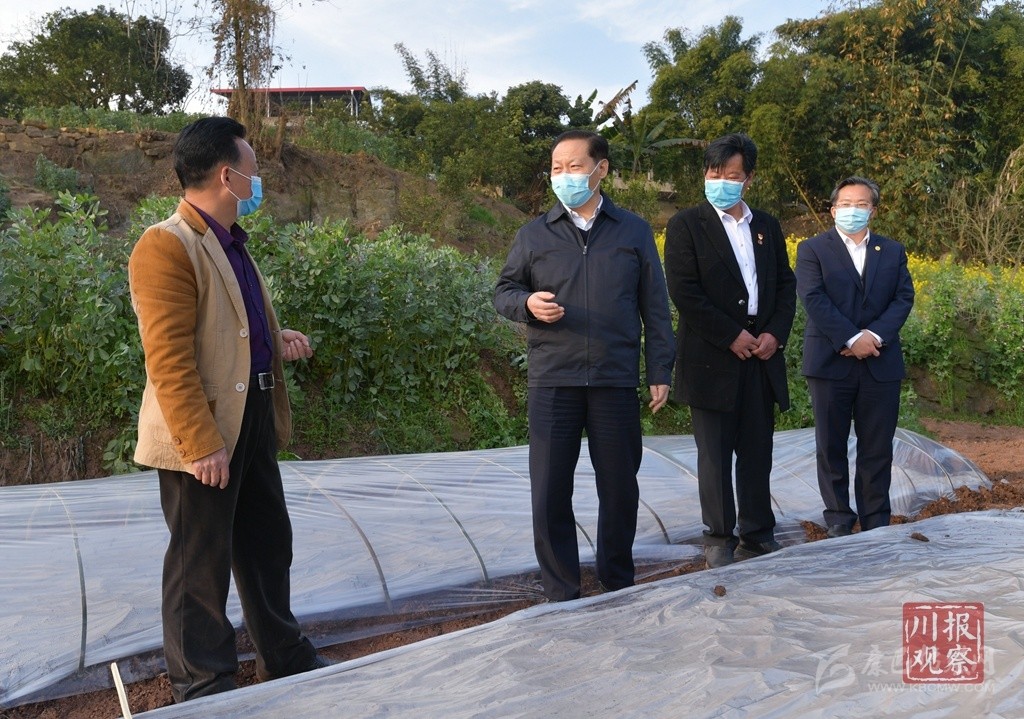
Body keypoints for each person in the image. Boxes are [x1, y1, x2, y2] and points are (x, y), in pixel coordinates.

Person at [128, 116, 327, 702]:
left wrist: (274, 337)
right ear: (226, 175)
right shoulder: (167, 244)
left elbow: (227, 329)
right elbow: (168, 358)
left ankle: (284, 656)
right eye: (253, 171)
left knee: (267, 543)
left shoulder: (230, 242)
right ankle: (203, 683)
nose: (257, 181)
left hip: (252, 416)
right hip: (206, 428)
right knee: (200, 559)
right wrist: (200, 443)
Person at [494, 129, 675, 602]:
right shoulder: (534, 234)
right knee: (550, 488)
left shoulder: (633, 230)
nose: (564, 175)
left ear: (601, 169)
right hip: (554, 377)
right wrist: (527, 303)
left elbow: (655, 305)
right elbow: (504, 291)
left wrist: (659, 369)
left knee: (619, 486)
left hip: (614, 377)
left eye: (574, 166)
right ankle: (562, 587)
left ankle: (616, 579)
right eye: (557, 168)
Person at [663, 133, 796, 569]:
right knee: (715, 455)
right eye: (714, 173)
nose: (721, 182)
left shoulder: (766, 226)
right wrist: (730, 335)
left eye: (732, 176)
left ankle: (757, 534)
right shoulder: (686, 224)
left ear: (749, 179)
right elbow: (685, 292)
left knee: (757, 450)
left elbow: (785, 285)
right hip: (712, 355)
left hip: (761, 353)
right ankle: (719, 538)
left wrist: (774, 333)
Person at [796, 176, 915, 537]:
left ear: (873, 210)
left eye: (861, 204)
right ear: (833, 210)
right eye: (845, 204)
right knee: (830, 445)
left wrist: (872, 337)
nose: (853, 210)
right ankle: (838, 518)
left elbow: (903, 298)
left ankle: (876, 520)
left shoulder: (891, 251)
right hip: (831, 361)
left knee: (876, 446)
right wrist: (850, 337)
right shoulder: (813, 249)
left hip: (880, 360)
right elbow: (813, 297)